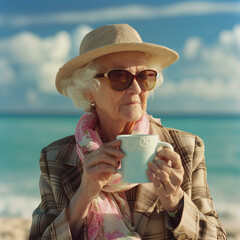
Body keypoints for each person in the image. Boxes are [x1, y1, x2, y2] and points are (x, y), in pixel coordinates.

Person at [29, 24, 226, 240]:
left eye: (144, 77)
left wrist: (176, 202)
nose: (136, 88)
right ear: (88, 90)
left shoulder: (187, 149)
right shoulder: (54, 158)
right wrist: (83, 195)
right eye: (120, 77)